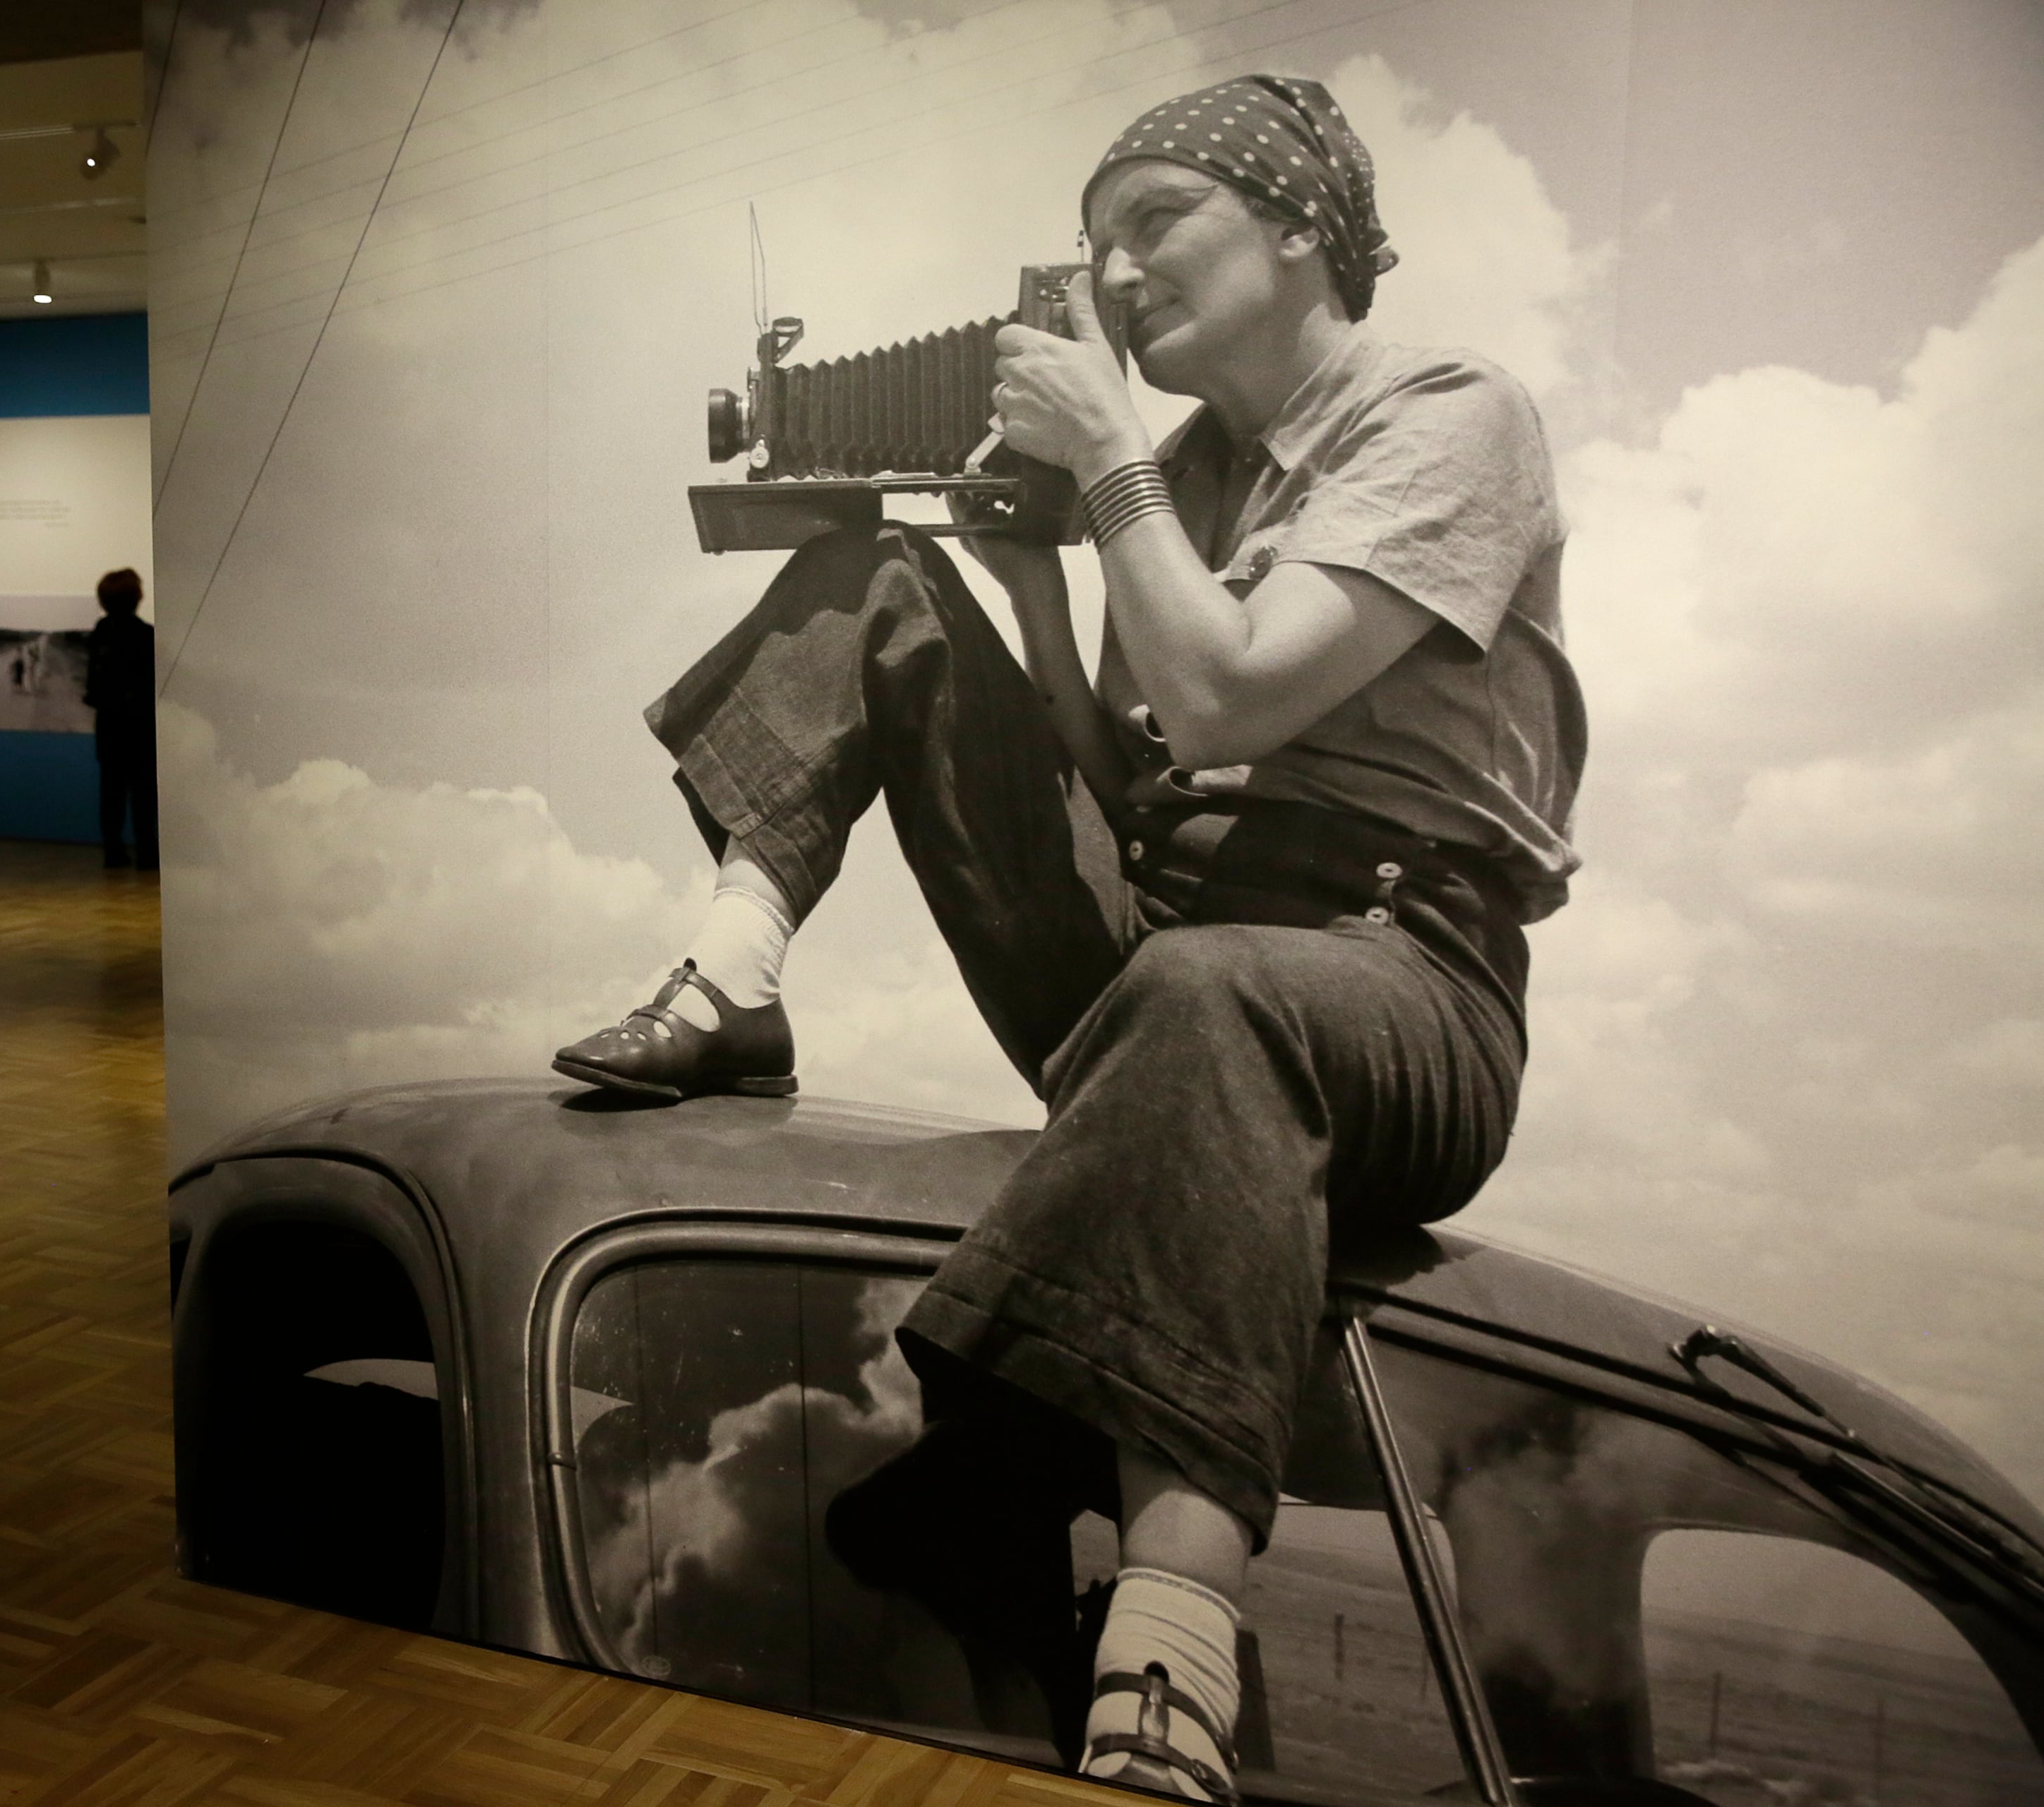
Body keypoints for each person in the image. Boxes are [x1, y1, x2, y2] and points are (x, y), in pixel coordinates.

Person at [551, 75, 1581, 1801]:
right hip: (1180, 943)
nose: (1110, 274)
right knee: (877, 580)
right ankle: (734, 970)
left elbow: (1234, 682)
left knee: (1204, 996)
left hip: (1401, 974)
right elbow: (1142, 768)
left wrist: (1102, 470)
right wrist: (1028, 583)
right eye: (1092, 241)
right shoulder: (1179, 472)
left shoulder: (1447, 414)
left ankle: (1164, 1662)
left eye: (1153, 221)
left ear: (1298, 227)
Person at [84, 567, 158, 870]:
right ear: (138, 597)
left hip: (109, 728)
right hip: (140, 728)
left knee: (111, 795)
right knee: (144, 796)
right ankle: (148, 853)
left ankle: (113, 853)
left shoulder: (100, 634)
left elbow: (93, 688)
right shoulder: (146, 636)